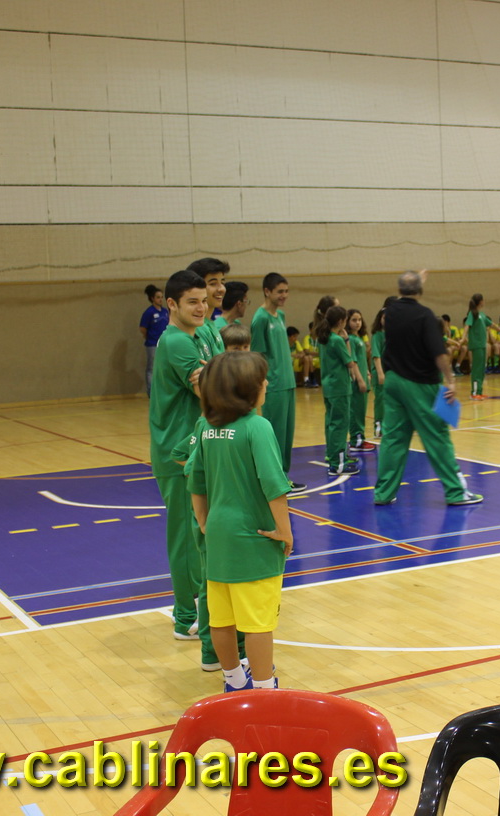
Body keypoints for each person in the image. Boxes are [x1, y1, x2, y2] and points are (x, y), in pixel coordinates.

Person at [188, 352, 292, 692]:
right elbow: (274, 484)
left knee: (221, 618)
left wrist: (204, 521)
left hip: (218, 534)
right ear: (244, 389)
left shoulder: (206, 427)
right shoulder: (257, 426)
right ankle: (263, 687)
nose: (266, 383)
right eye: (261, 380)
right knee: (258, 622)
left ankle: (233, 680)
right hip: (254, 537)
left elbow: (195, 479)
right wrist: (285, 531)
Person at [374, 271, 482, 507]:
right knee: (437, 437)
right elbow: (439, 354)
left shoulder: (390, 313)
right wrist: (450, 380)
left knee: (393, 439)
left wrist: (415, 281)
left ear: (400, 289)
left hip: (393, 383)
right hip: (420, 384)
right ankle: (456, 492)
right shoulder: (425, 316)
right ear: (420, 291)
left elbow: (403, 299)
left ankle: (383, 493)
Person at [148, 270, 214, 648]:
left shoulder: (200, 334)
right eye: (193, 302)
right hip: (177, 452)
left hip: (196, 448)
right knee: (186, 537)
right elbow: (211, 388)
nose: (201, 308)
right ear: (171, 304)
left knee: (198, 532)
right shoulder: (175, 342)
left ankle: (195, 609)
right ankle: (186, 615)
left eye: (204, 301)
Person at [250, 273, 304, 492]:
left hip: (288, 383)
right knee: (275, 435)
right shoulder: (260, 318)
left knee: (286, 435)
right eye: (280, 291)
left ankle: (283, 476)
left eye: (286, 291)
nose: (284, 295)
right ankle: (273, 480)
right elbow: (258, 355)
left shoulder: (280, 315)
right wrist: (262, 383)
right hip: (273, 384)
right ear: (267, 291)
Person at [318, 306, 365, 476]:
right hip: (340, 387)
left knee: (332, 423)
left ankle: (333, 456)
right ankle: (337, 464)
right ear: (341, 322)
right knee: (340, 424)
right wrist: (346, 341)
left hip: (329, 386)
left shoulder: (323, 339)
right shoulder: (337, 340)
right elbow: (350, 361)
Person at [464, 294, 500, 400]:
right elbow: (467, 325)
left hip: (482, 345)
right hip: (476, 345)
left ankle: (479, 392)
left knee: (481, 369)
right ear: (480, 301)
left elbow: (493, 325)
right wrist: (463, 338)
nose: (484, 302)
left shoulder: (482, 315)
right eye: (483, 300)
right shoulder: (472, 313)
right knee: (476, 369)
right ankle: (474, 393)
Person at [346, 308, 376, 453]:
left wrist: (367, 372)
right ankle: (356, 440)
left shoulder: (359, 338)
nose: (357, 323)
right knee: (356, 411)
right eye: (354, 320)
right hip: (357, 381)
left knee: (361, 410)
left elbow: (362, 360)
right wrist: (360, 379)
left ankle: (360, 437)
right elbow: (353, 362)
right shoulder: (350, 340)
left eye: (359, 320)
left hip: (364, 377)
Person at [186, 258, 230, 356]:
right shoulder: (195, 329)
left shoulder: (209, 324)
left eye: (222, 282)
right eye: (213, 284)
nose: (221, 289)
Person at [139, 284, 168, 396]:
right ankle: (151, 391)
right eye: (158, 297)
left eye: (161, 297)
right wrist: (149, 336)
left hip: (164, 344)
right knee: (152, 368)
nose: (160, 299)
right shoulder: (149, 312)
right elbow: (142, 328)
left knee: (164, 367)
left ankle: (162, 390)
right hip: (152, 344)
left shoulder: (165, 311)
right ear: (152, 298)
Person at [370, 303, 391, 438]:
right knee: (380, 400)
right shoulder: (377, 335)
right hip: (380, 373)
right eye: (385, 318)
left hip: (391, 373)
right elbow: (376, 356)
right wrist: (380, 373)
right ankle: (379, 425)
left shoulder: (393, 334)